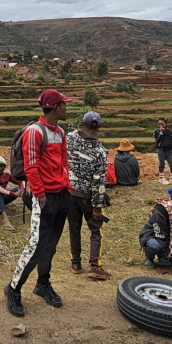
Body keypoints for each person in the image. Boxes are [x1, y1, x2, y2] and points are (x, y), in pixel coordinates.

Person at [4, 88, 73, 317]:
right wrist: (41, 196)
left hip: (61, 195)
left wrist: (68, 188)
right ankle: (13, 288)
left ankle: (43, 284)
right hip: (44, 198)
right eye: (64, 104)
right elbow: (31, 167)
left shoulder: (61, 132)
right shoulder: (34, 132)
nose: (66, 107)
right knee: (36, 246)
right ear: (55, 107)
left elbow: (64, 163)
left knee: (51, 245)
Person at [66, 111, 111, 280]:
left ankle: (75, 263)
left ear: (82, 124)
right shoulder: (100, 151)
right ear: (98, 127)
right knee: (95, 229)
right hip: (87, 196)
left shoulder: (69, 138)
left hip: (69, 192)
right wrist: (97, 207)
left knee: (74, 228)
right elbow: (99, 182)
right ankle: (94, 265)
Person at [154, 118, 172, 184]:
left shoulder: (170, 131)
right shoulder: (156, 132)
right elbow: (157, 139)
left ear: (166, 124)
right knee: (162, 164)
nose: (161, 125)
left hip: (169, 151)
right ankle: (161, 178)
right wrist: (161, 133)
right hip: (161, 150)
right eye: (159, 124)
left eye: (162, 124)